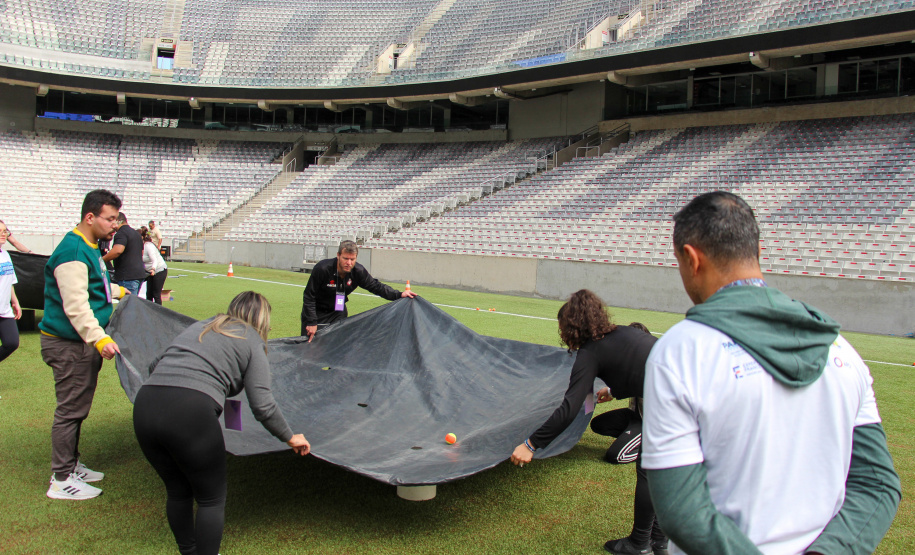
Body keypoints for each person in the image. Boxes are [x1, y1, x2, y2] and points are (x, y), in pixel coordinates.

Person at [642, 191, 901, 555]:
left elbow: (681, 511)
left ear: (691, 258)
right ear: (757, 254)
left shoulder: (680, 352)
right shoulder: (841, 349)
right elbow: (877, 485)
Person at [133, 291, 310, 555]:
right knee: (211, 499)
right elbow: (262, 404)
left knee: (178, 490)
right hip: (189, 414)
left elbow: (154, 365)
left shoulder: (203, 325)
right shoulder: (251, 339)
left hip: (145, 406)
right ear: (262, 321)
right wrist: (290, 436)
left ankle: (188, 551)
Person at [509, 290, 668, 555]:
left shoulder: (590, 352)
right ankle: (660, 542)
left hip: (666, 400)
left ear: (571, 327)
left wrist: (531, 444)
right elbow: (641, 366)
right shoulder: (624, 333)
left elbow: (571, 407)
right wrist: (612, 392)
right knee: (662, 470)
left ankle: (640, 544)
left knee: (649, 470)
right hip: (690, 393)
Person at [41, 189, 128, 500]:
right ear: (90, 217)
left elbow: (95, 285)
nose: (114, 225)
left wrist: (118, 293)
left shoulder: (90, 246)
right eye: (109, 219)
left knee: (78, 408)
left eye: (116, 219)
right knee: (70, 410)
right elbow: (75, 305)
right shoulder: (73, 252)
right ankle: (61, 479)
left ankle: (71, 464)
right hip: (68, 344)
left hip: (77, 344)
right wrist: (99, 338)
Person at [300, 240, 416, 341]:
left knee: (337, 348)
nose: (349, 263)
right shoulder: (323, 268)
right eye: (345, 258)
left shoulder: (358, 271)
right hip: (316, 312)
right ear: (338, 255)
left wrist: (399, 294)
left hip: (337, 311)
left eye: (352, 259)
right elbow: (309, 296)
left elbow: (376, 286)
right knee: (311, 349)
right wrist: (311, 321)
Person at [589, 322, 653, 466]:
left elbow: (640, 385)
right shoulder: (630, 359)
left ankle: (651, 447)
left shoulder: (653, 363)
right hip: (635, 415)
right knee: (599, 425)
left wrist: (612, 392)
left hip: (650, 422)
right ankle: (633, 438)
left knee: (616, 456)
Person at [0, 220, 23, 390]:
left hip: (5, 310)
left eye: (5, 231)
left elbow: (10, 281)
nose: (3, 234)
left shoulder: (5, 254)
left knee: (12, 342)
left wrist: (15, 302)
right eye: (0, 231)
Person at [102, 212, 147, 296]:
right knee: (133, 303)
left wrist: (102, 260)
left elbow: (117, 250)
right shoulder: (136, 234)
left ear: (118, 221)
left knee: (128, 306)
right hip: (139, 273)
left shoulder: (121, 233)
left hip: (127, 276)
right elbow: (141, 252)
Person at [140, 227, 168, 305]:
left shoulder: (148, 246)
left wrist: (153, 269)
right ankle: (149, 313)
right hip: (149, 272)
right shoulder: (140, 246)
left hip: (159, 270)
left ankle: (159, 313)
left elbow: (154, 260)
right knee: (149, 294)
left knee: (156, 294)